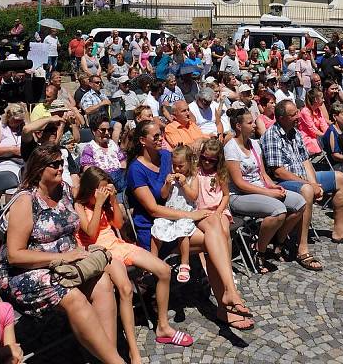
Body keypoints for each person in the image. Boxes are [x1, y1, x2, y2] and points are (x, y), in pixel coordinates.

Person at [0, 145, 128, 364]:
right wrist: (60, 258)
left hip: (65, 263)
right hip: (26, 272)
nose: (60, 168)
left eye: (62, 163)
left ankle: (106, 356)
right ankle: (116, 362)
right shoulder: (25, 201)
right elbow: (15, 256)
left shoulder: (65, 190)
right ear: (39, 169)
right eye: (54, 164)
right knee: (73, 297)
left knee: (103, 281)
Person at [126, 120, 254, 330]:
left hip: (181, 219)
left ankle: (229, 293)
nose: (161, 139)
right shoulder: (136, 170)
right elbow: (153, 210)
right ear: (142, 141)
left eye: (161, 134)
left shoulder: (168, 157)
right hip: (157, 231)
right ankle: (226, 303)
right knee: (213, 241)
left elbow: (192, 165)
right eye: (155, 136)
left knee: (213, 222)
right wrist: (191, 215)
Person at [75, 167, 191, 350]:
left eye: (107, 189)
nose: (104, 193)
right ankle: (131, 348)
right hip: (99, 252)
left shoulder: (105, 203)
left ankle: (163, 326)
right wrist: (98, 204)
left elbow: (119, 224)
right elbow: (90, 232)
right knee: (125, 289)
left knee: (164, 270)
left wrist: (112, 200)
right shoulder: (79, 206)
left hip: (116, 244)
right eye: (101, 190)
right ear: (90, 189)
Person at [262, 100, 343, 262]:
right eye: (293, 114)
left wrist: (315, 183)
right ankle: (302, 248)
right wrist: (310, 185)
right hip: (283, 184)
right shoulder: (272, 135)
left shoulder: (295, 133)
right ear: (281, 118)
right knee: (307, 191)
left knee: (340, 178)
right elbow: (279, 172)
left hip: (304, 179)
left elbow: (305, 161)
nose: (298, 117)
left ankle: (339, 231)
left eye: (297, 112)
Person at [224, 107, 306, 274]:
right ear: (238, 126)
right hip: (239, 196)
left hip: (260, 190)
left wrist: (272, 186)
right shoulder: (231, 148)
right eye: (250, 122)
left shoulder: (254, 144)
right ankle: (259, 251)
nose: (254, 125)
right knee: (278, 211)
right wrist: (269, 193)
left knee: (300, 203)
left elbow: (262, 173)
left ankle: (278, 241)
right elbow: (239, 183)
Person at [151, 145, 198, 282]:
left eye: (181, 166)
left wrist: (184, 185)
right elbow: (163, 195)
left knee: (183, 231)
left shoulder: (192, 178)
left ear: (189, 164)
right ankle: (153, 260)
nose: (177, 169)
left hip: (185, 213)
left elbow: (193, 196)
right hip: (170, 211)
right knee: (157, 226)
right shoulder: (170, 178)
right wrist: (166, 184)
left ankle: (184, 263)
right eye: (174, 166)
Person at [0, 103, 27, 215]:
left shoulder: (23, 126)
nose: (18, 123)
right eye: (16, 120)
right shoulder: (0, 126)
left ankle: (16, 212)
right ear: (8, 117)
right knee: (11, 175)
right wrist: (12, 150)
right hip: (4, 160)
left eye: (20, 120)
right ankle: (6, 212)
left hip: (23, 161)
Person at [80, 113, 126, 192]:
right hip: (102, 182)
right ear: (94, 131)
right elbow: (90, 172)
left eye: (109, 130)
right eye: (103, 130)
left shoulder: (112, 144)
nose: (107, 133)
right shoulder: (89, 148)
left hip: (119, 178)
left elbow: (123, 163)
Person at [297, 89, 330, 154]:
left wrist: (328, 134)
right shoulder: (305, 111)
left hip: (317, 135)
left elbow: (323, 124)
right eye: (322, 98)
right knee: (316, 143)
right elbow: (312, 129)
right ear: (315, 99)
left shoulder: (318, 110)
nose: (324, 100)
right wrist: (324, 135)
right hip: (307, 136)